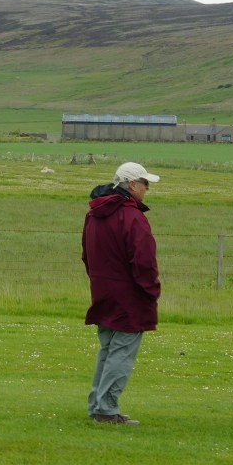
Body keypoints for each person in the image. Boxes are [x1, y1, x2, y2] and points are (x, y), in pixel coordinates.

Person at [82, 161, 161, 426]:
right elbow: (144, 260)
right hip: (129, 296)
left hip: (103, 292)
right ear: (131, 185)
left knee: (107, 350)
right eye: (144, 183)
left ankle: (98, 404)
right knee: (122, 353)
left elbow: (87, 254)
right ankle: (106, 409)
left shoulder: (93, 214)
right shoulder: (132, 216)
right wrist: (151, 290)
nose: (147, 189)